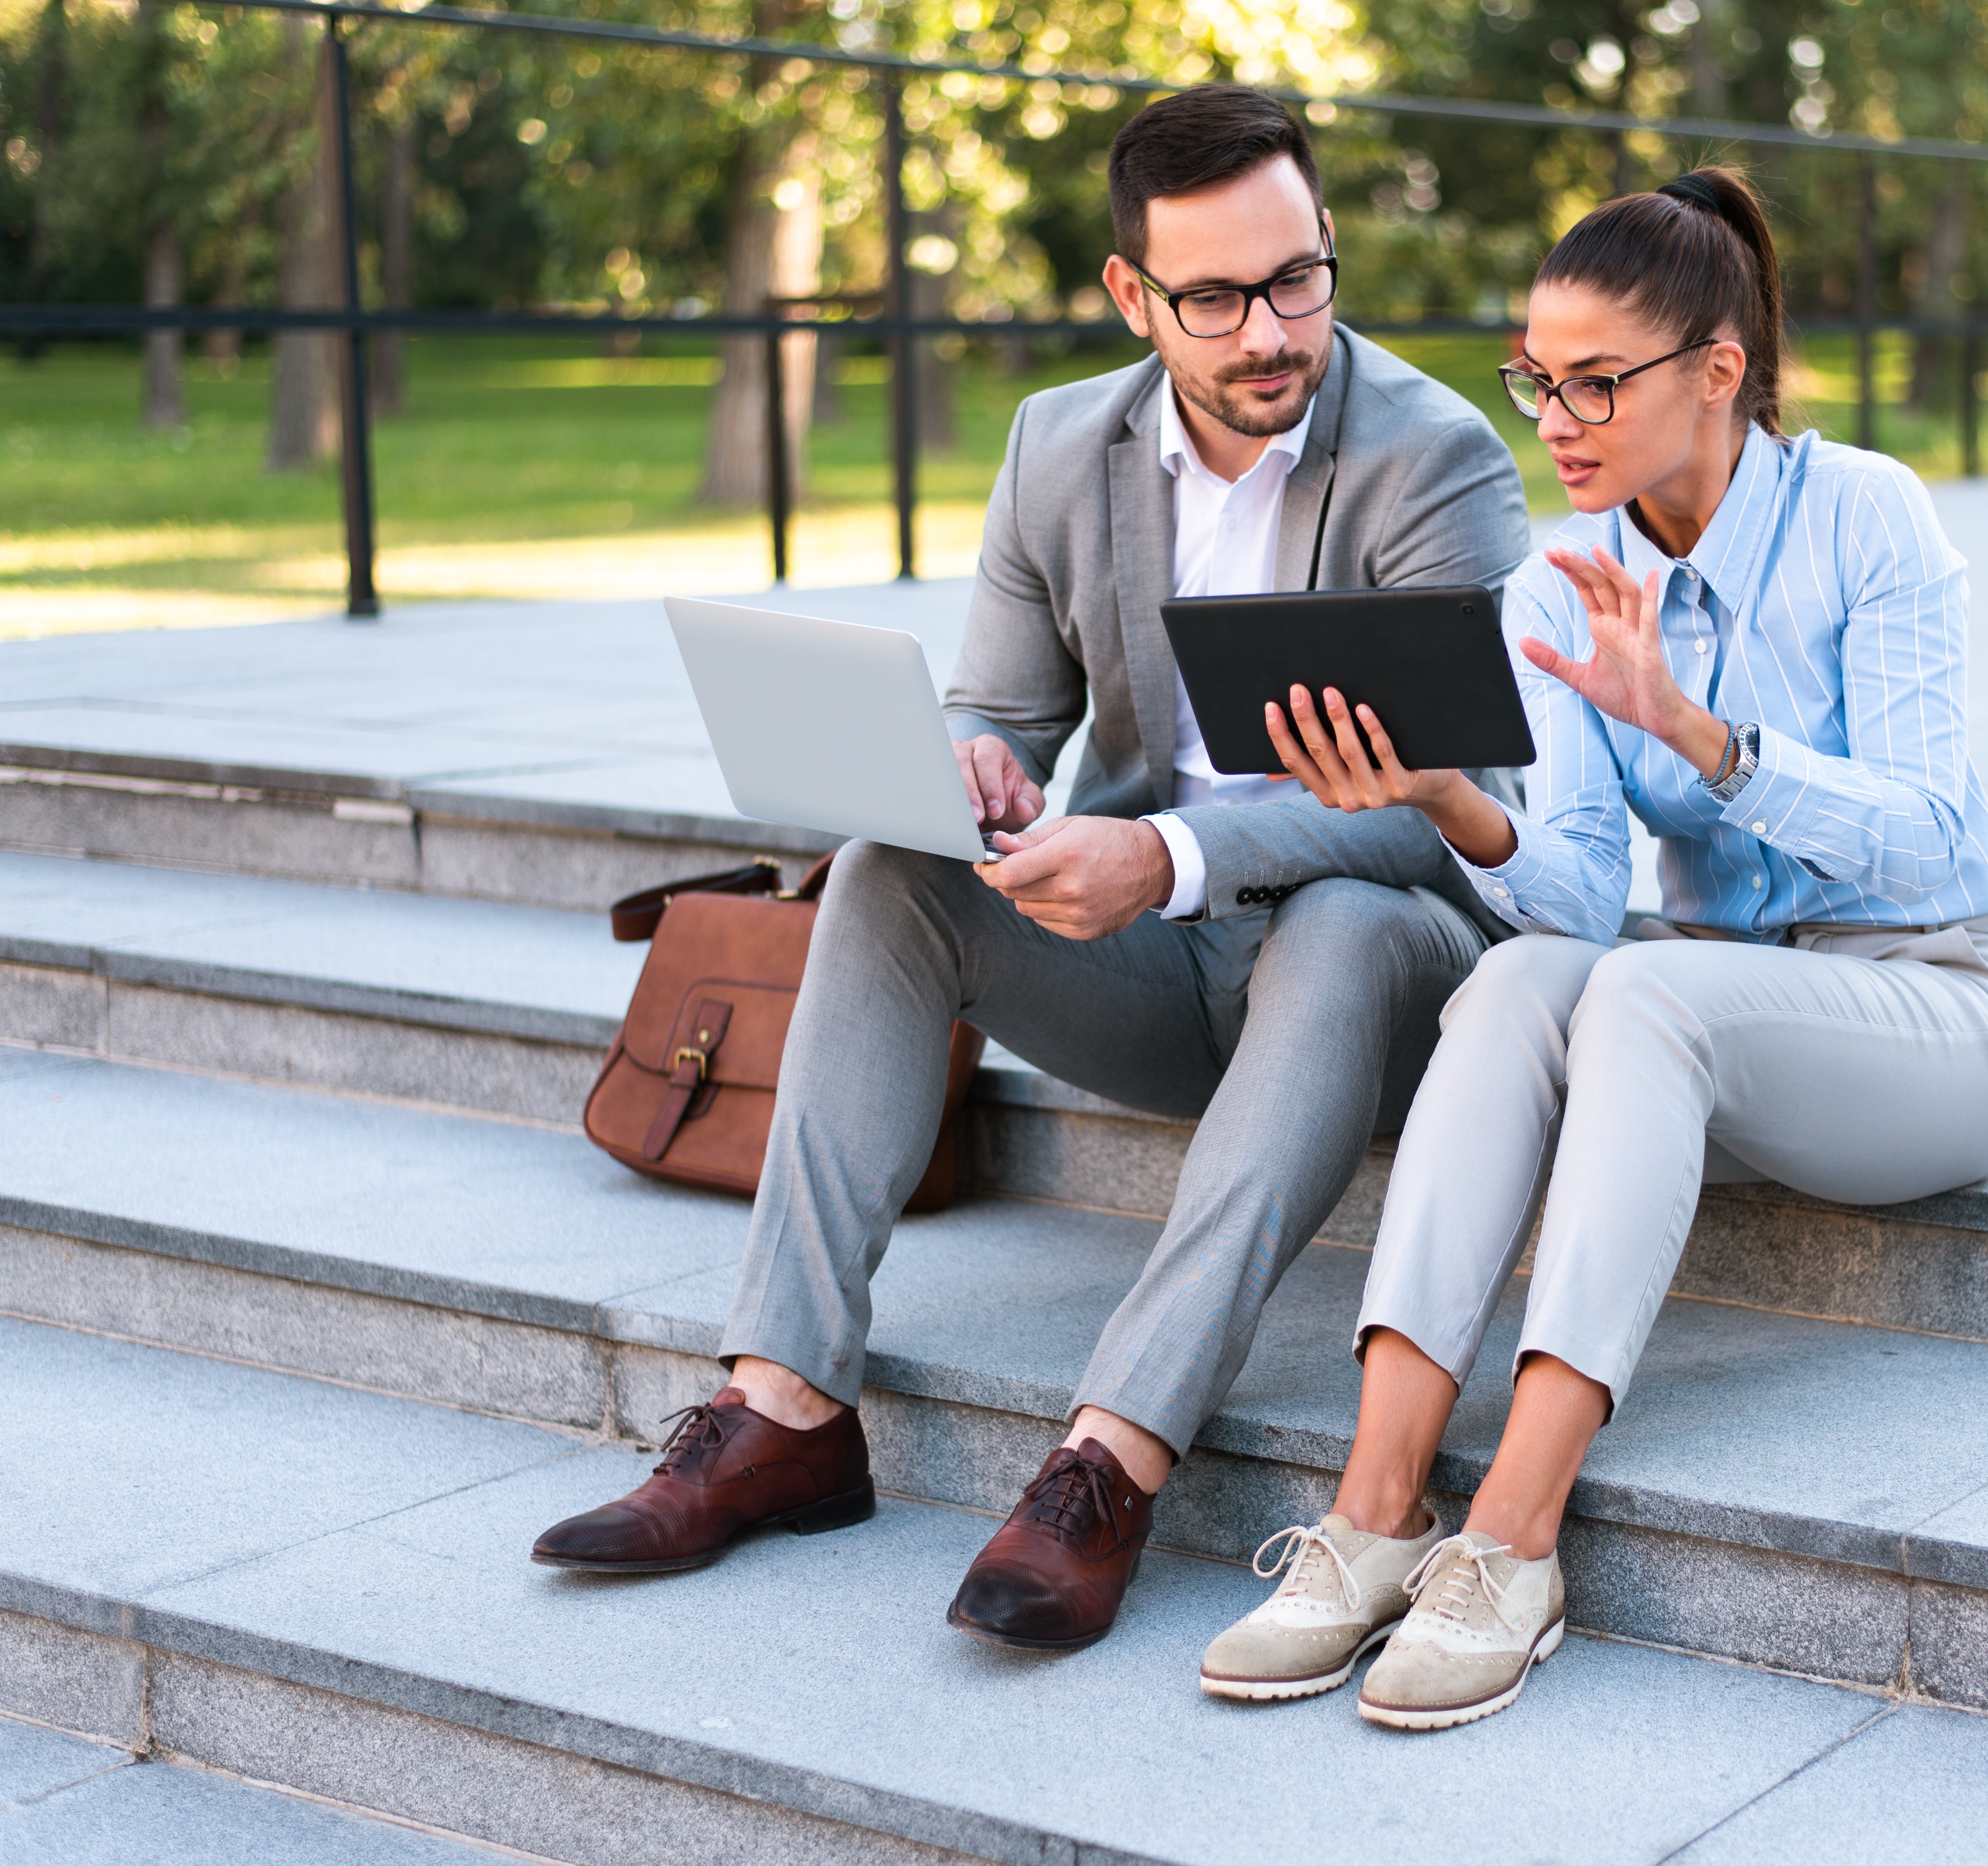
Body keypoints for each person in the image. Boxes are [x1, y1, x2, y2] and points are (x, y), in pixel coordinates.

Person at [529, 84, 1530, 1652]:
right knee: (885, 871)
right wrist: (977, 761)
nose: (1272, 332)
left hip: (1388, 982)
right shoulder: (1060, 441)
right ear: (1133, 296)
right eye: (1216, 298)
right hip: (1153, 973)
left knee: (1341, 919)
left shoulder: (1436, 459)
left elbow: (1448, 810)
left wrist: (1171, 851)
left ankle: (1109, 1460)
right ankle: (783, 1404)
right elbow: (1000, 697)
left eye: (1298, 278)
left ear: (1328, 241)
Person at [1195, 167, 1988, 1727]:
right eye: (1539, 380)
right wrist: (1451, 794)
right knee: (1520, 972)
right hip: (1725, 1018)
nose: (1558, 419)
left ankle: (1515, 1535)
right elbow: (1581, 894)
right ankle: (1379, 1514)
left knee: (1647, 988)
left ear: (1719, 372)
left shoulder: (1868, 513)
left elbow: (1932, 834)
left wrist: (1708, 741)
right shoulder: (1560, 579)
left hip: (1937, 1009)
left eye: (1598, 383)